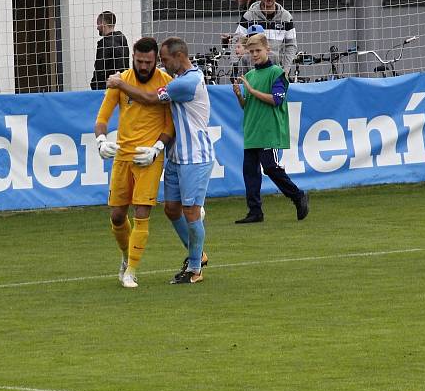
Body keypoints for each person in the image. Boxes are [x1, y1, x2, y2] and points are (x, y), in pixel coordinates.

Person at [107, 37, 213, 284]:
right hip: (176, 156)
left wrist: (120, 84)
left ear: (178, 57)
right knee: (171, 209)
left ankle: (195, 267)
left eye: (164, 60)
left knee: (191, 212)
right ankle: (197, 253)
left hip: (195, 156)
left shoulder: (188, 82)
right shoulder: (178, 79)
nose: (161, 65)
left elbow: (150, 99)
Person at [95, 37, 174, 288]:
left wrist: (157, 148)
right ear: (132, 57)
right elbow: (102, 118)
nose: (143, 66)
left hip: (148, 157)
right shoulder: (120, 82)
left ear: (156, 61)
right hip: (123, 155)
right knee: (118, 215)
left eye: (147, 62)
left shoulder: (166, 83)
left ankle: (131, 270)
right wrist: (100, 140)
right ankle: (125, 256)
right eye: (139, 61)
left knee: (142, 212)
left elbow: (170, 124)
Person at [232, 33, 308, 224]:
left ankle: (298, 196)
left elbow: (276, 100)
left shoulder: (277, 73)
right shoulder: (249, 75)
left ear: (268, 50)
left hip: (269, 130)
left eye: (258, 50)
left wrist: (251, 91)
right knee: (250, 172)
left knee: (271, 168)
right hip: (252, 130)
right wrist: (240, 96)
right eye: (251, 52)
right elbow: (246, 106)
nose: (255, 55)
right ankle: (255, 211)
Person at [233, 0, 298, 73]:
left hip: (276, 71)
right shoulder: (249, 16)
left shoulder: (286, 17)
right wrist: (235, 67)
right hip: (253, 72)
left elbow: (291, 45)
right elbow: (237, 41)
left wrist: (285, 70)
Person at [90, 11, 130, 90]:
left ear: (103, 24)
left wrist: (94, 85)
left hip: (107, 87)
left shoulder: (104, 43)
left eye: (98, 24)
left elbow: (100, 70)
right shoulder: (122, 39)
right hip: (123, 85)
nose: (97, 27)